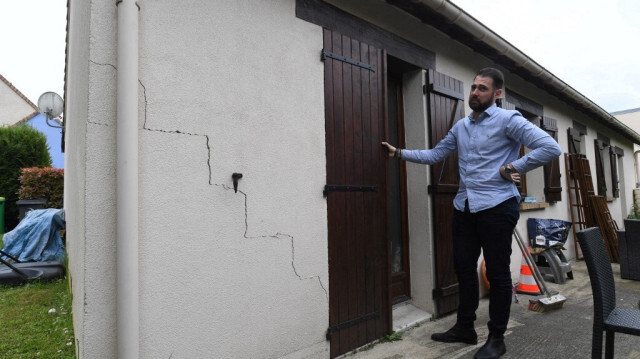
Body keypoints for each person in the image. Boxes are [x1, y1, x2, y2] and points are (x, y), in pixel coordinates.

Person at [381, 67, 562, 359]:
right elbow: (435, 154)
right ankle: (464, 327)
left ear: (497, 94)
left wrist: (513, 168)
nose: (475, 93)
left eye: (482, 88)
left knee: (498, 273)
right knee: (464, 269)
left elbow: (550, 147)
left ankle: (496, 338)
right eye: (474, 87)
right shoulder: (462, 127)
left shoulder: (509, 120)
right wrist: (399, 153)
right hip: (464, 207)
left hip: (497, 208)